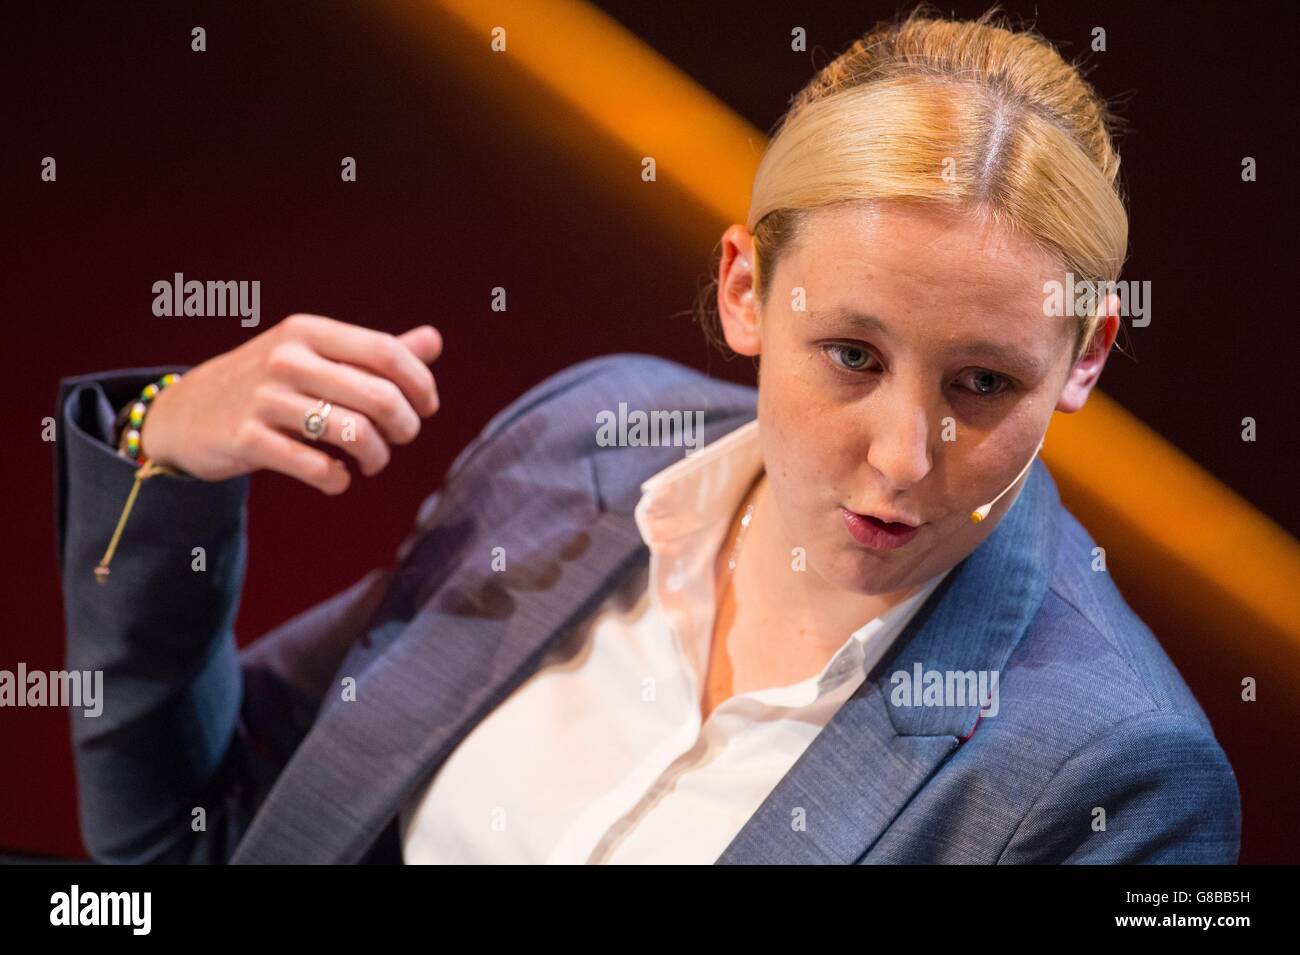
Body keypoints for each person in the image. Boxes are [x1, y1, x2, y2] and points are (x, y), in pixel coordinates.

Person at [53, 8, 1239, 864]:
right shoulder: (582, 442)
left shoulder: (1116, 776)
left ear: (1083, 358)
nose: (899, 459)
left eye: (981, 382)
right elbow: (192, 835)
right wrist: (166, 453)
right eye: (852, 356)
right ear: (742, 290)